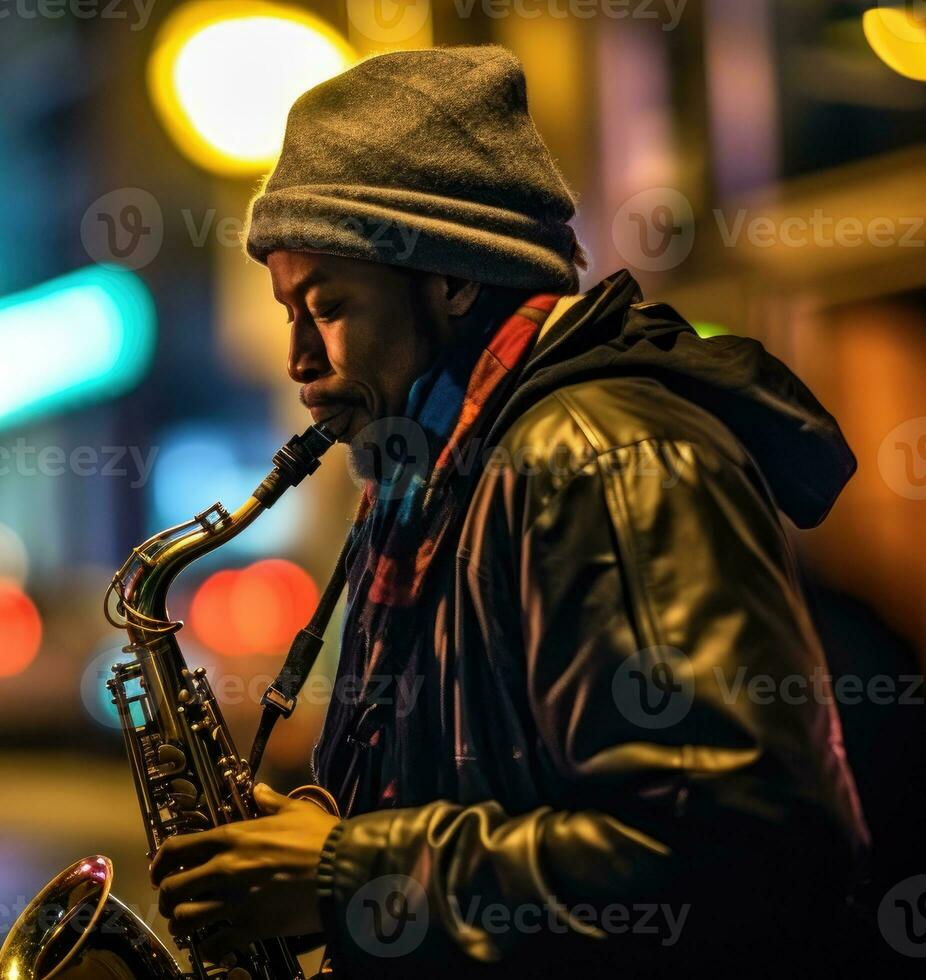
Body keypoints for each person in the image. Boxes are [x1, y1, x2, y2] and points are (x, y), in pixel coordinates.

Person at [148, 46, 870, 977]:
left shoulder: (597, 460)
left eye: (324, 306)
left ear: (451, 279)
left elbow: (738, 859)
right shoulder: (440, 476)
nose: (298, 359)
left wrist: (348, 873)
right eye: (289, 309)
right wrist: (323, 843)